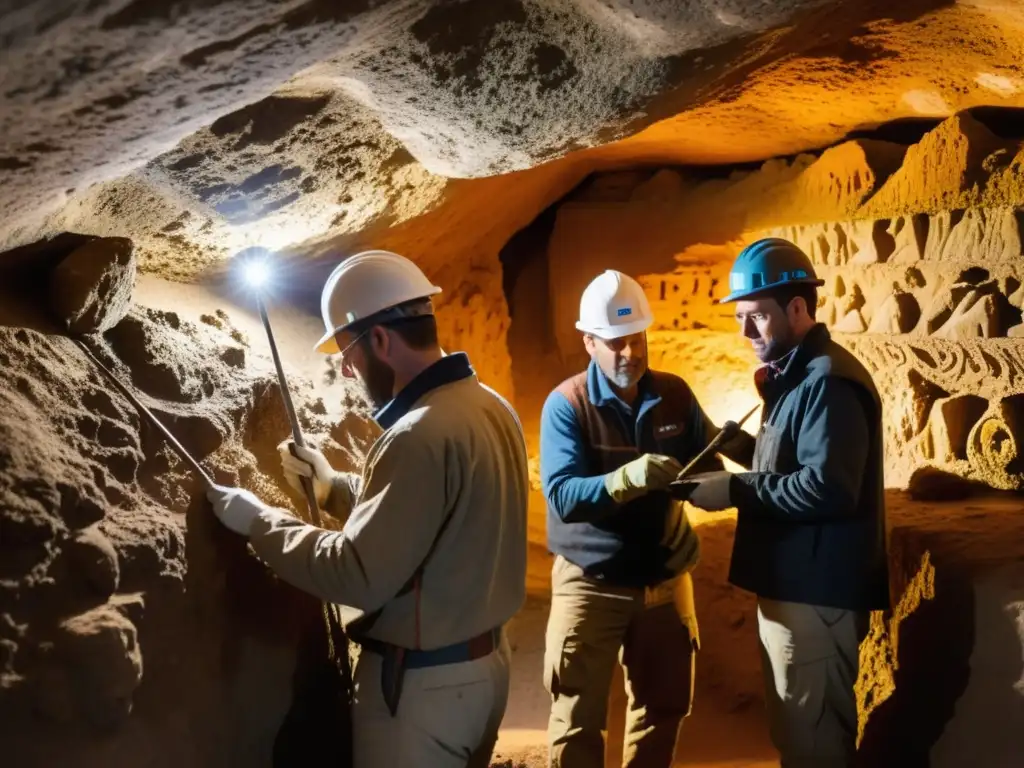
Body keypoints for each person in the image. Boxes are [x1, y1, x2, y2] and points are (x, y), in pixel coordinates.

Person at [206, 250, 530, 768]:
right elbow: (440, 518)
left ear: (379, 339)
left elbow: (356, 572)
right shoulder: (490, 407)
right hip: (485, 672)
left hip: (423, 693)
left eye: (347, 351)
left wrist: (257, 522)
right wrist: (334, 487)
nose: (348, 367)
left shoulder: (417, 434)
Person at [672, 238, 890, 767]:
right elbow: (801, 467)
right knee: (797, 734)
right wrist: (746, 450)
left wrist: (733, 491)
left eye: (757, 318)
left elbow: (828, 488)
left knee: (813, 743)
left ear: (796, 309)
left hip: (815, 593)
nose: (746, 333)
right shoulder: (796, 376)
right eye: (740, 318)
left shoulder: (827, 382)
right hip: (795, 585)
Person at [539, 269, 754, 767]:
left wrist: (709, 486)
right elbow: (564, 496)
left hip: (664, 578)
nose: (629, 354)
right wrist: (626, 479)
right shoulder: (567, 406)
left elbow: (708, 462)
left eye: (636, 339)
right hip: (592, 581)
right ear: (589, 341)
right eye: (615, 343)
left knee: (663, 708)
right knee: (577, 717)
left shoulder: (675, 395)